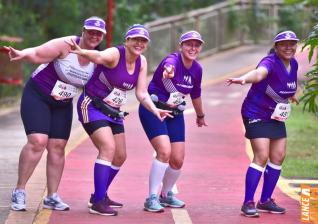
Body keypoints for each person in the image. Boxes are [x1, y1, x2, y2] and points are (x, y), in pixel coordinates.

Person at [67, 24, 172, 216]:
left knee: (120, 155)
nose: (139, 43)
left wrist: (155, 109)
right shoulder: (116, 53)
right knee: (107, 148)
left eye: (143, 41)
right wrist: (81, 51)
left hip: (113, 111)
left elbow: (141, 93)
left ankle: (99, 194)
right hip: (92, 104)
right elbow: (99, 57)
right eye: (136, 39)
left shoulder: (142, 62)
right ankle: (98, 202)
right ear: (127, 40)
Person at [4, 16, 106, 211]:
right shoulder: (66, 44)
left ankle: (52, 196)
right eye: (90, 31)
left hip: (62, 103)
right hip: (38, 95)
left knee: (58, 147)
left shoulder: (97, 59)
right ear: (83, 31)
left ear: (102, 37)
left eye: (98, 34)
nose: (94, 36)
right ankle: (19, 190)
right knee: (38, 142)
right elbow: (36, 53)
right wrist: (22, 54)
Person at [226, 30, 299, 217]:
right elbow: (259, 74)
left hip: (275, 115)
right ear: (276, 47)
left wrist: (290, 95)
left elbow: (285, 83)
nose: (289, 47)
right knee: (262, 155)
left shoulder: (294, 64)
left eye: (292, 44)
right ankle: (248, 202)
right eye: (284, 44)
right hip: (255, 112)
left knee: (279, 156)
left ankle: (265, 200)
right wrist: (244, 79)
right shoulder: (270, 62)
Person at [138, 30, 208, 213]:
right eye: (188, 44)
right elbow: (168, 68)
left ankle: (166, 194)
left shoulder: (197, 69)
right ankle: (151, 198)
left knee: (177, 159)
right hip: (154, 110)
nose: (193, 48)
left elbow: (196, 94)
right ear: (180, 46)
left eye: (196, 45)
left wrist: (200, 116)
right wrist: (168, 72)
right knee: (164, 151)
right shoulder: (172, 61)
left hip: (175, 113)